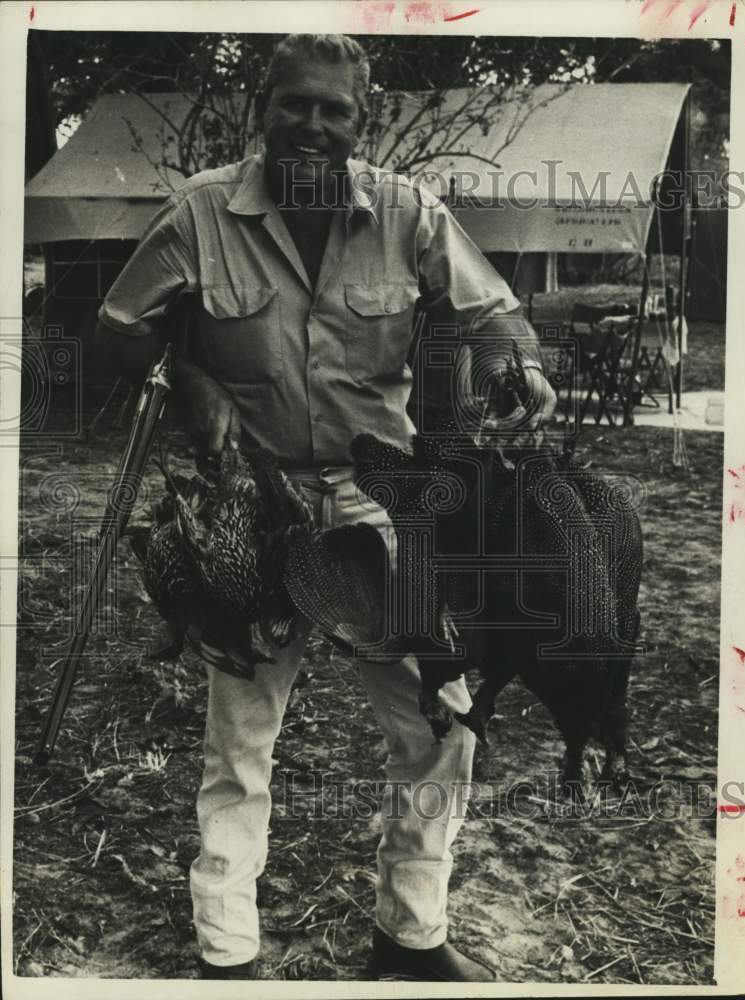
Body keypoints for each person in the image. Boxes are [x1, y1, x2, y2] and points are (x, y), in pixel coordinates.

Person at [96, 33, 556, 981]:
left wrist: (523, 365)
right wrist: (183, 371)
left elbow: (487, 310)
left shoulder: (406, 212)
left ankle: (410, 933)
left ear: (363, 119)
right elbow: (114, 330)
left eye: (333, 110)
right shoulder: (198, 214)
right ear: (262, 106)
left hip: (376, 502)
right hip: (246, 507)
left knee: (439, 722)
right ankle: (228, 950)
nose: (311, 125)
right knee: (240, 736)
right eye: (293, 103)